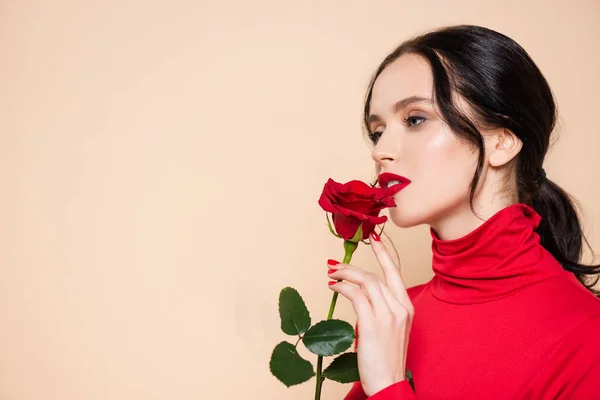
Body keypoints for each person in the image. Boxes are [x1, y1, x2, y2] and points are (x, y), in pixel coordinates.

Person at [325, 25, 600, 399]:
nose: (381, 150)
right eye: (377, 131)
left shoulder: (585, 337)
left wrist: (390, 387)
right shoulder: (394, 320)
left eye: (415, 119)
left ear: (502, 141)